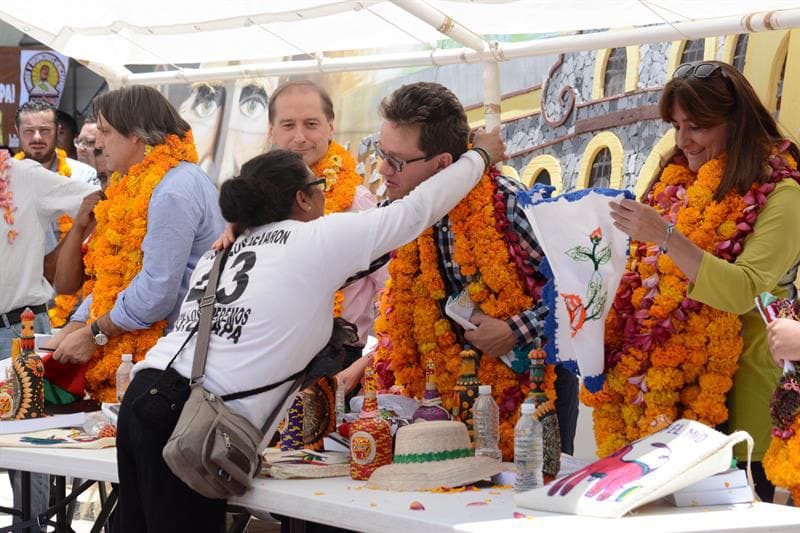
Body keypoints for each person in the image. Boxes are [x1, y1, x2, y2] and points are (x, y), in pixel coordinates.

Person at [113, 129, 503, 530]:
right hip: (188, 422)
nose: (323, 194)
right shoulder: (315, 238)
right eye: (317, 186)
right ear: (302, 198)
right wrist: (480, 156)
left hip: (145, 397)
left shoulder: (225, 250)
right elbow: (416, 209)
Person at [607, 60, 800, 502]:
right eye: (676, 126)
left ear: (737, 123)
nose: (683, 141)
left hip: (744, 396)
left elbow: (742, 290)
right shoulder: (678, 186)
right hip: (666, 400)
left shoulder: (785, 195)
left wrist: (665, 235)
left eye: (696, 127)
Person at [356, 82, 579, 459]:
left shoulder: (509, 206)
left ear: (443, 164)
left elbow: (581, 293)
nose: (381, 169)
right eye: (380, 152)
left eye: (396, 160)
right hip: (442, 398)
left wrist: (514, 330)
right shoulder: (399, 214)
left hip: (532, 399)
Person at [45, 85, 226, 404]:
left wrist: (94, 334)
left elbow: (156, 291)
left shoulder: (172, 190)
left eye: (105, 132)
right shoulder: (141, 184)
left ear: (137, 137)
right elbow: (112, 282)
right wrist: (75, 325)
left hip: (172, 364)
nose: (98, 144)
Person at [267, 80, 388, 392]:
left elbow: (391, 293)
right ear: (271, 131)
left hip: (335, 362)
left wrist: (368, 363)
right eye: (288, 125)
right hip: (266, 356)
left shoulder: (358, 204)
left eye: (311, 124)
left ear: (330, 127)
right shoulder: (254, 205)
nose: (299, 137)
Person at [0, 150, 99, 531]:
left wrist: (61, 255)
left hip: (16, 329)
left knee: (27, 443)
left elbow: (97, 202)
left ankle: (33, 527)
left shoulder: (23, 175)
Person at [74, 114, 110, 186]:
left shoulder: (114, 182)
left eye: (90, 142)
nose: (80, 148)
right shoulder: (70, 177)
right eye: (79, 141)